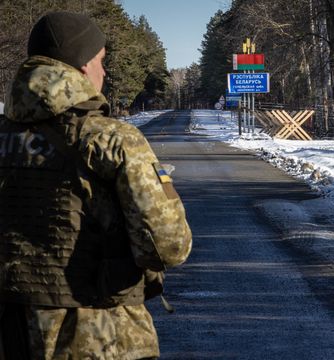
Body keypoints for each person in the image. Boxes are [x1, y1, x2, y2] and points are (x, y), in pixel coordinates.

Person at [0, 11, 192, 359]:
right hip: (98, 333)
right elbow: (169, 245)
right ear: (82, 65)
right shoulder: (111, 139)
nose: (104, 72)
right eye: (101, 61)